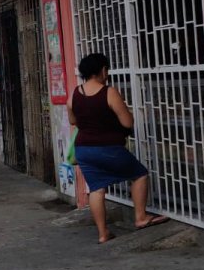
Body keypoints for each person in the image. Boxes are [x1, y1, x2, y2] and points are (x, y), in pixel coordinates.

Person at [68, 52, 168, 243]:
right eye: (107, 70)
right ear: (102, 70)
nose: (107, 74)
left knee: (96, 189)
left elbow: (73, 120)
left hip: (84, 150)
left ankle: (103, 234)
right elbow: (127, 122)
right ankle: (140, 217)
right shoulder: (109, 92)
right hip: (108, 148)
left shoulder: (74, 94)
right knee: (139, 174)